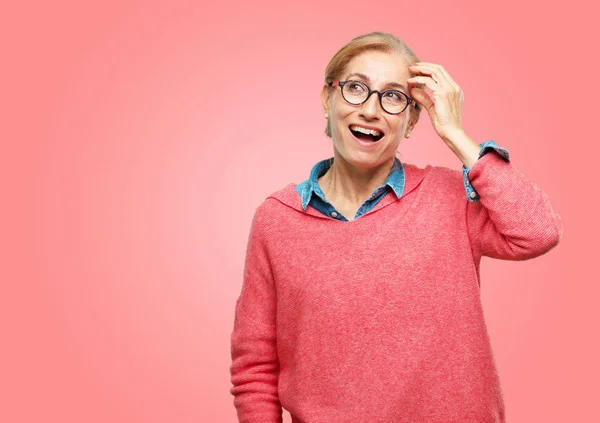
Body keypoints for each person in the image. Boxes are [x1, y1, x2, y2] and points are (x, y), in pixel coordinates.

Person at [229, 31, 562, 423]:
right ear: (327, 99)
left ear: (410, 121)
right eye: (356, 88)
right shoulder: (277, 219)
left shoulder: (450, 198)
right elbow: (255, 367)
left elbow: (538, 231)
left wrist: (455, 133)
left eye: (393, 97)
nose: (371, 110)